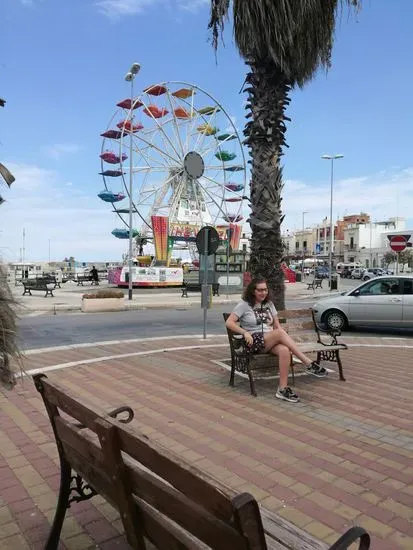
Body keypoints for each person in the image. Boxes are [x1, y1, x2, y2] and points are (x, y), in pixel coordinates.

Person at [225, 277, 327, 403]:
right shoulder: (244, 305)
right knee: (279, 333)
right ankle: (307, 363)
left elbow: (277, 326)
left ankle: (282, 389)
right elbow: (229, 323)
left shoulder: (269, 304)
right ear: (253, 291)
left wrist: (282, 338)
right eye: (260, 290)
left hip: (268, 341)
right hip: (253, 342)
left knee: (284, 350)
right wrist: (245, 332)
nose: (263, 293)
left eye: (265, 290)